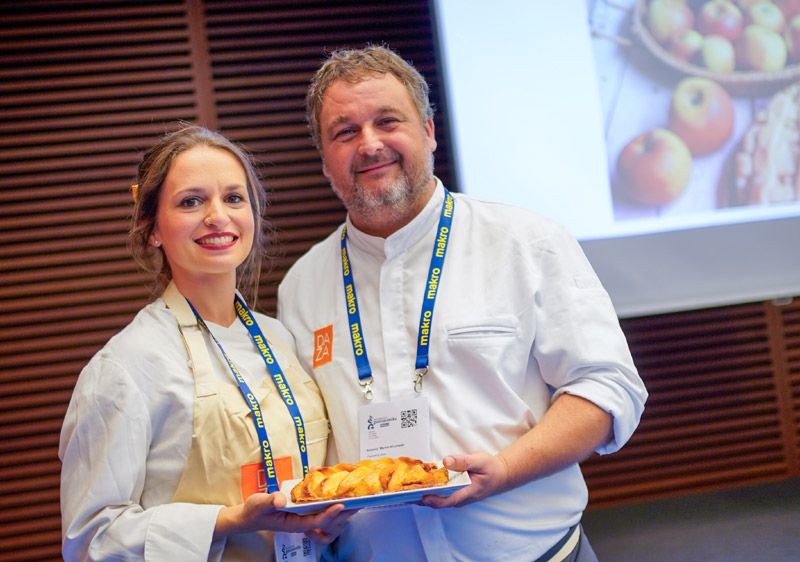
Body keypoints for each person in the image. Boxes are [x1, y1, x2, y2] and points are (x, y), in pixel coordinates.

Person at [276, 45, 648, 561]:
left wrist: (508, 468)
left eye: (388, 121)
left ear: (429, 131)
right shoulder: (300, 286)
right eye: (345, 132)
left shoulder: (524, 241)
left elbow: (608, 389)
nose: (369, 144)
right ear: (324, 158)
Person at [59, 124, 352, 561]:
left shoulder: (280, 337)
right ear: (151, 227)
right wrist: (228, 521)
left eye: (233, 198)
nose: (218, 216)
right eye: (191, 201)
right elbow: (89, 541)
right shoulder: (125, 367)